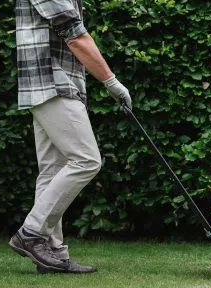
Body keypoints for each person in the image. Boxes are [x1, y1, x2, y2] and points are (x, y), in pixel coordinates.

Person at [9, 0, 132, 274]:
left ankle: (51, 255)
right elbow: (76, 37)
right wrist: (111, 82)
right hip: (52, 82)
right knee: (86, 160)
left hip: (50, 85)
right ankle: (31, 234)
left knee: (52, 171)